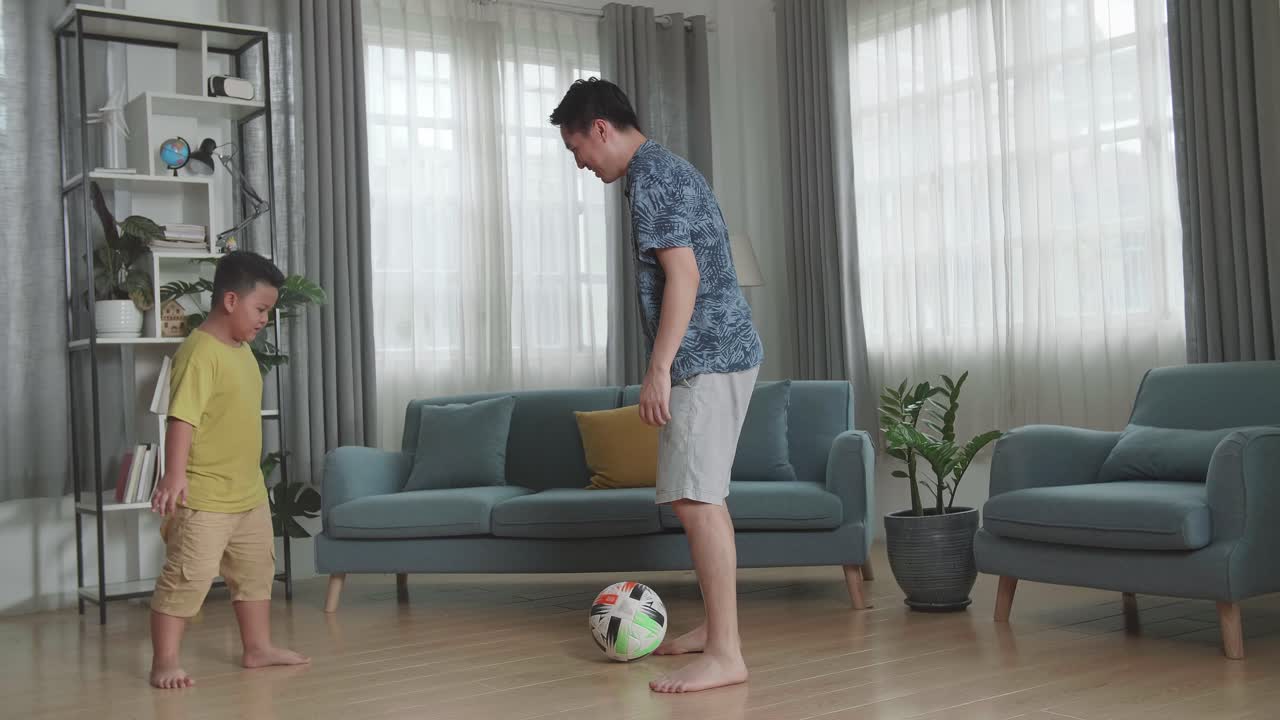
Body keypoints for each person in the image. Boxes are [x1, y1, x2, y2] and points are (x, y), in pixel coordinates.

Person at [550, 78, 764, 694]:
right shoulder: (660, 170)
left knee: (697, 499)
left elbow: (684, 276)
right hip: (718, 352)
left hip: (707, 355)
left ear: (600, 128)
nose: (582, 164)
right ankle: (716, 633)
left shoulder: (654, 177)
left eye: (578, 150)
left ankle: (726, 653)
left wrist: (659, 367)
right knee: (700, 497)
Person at [148, 250, 309, 689]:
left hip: (248, 493)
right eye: (261, 310)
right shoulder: (200, 352)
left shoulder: (241, 352)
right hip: (205, 496)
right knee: (189, 575)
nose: (264, 320)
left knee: (255, 572)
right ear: (231, 300)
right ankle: (165, 661)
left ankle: (257, 648)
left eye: (269, 312)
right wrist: (174, 475)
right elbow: (183, 417)